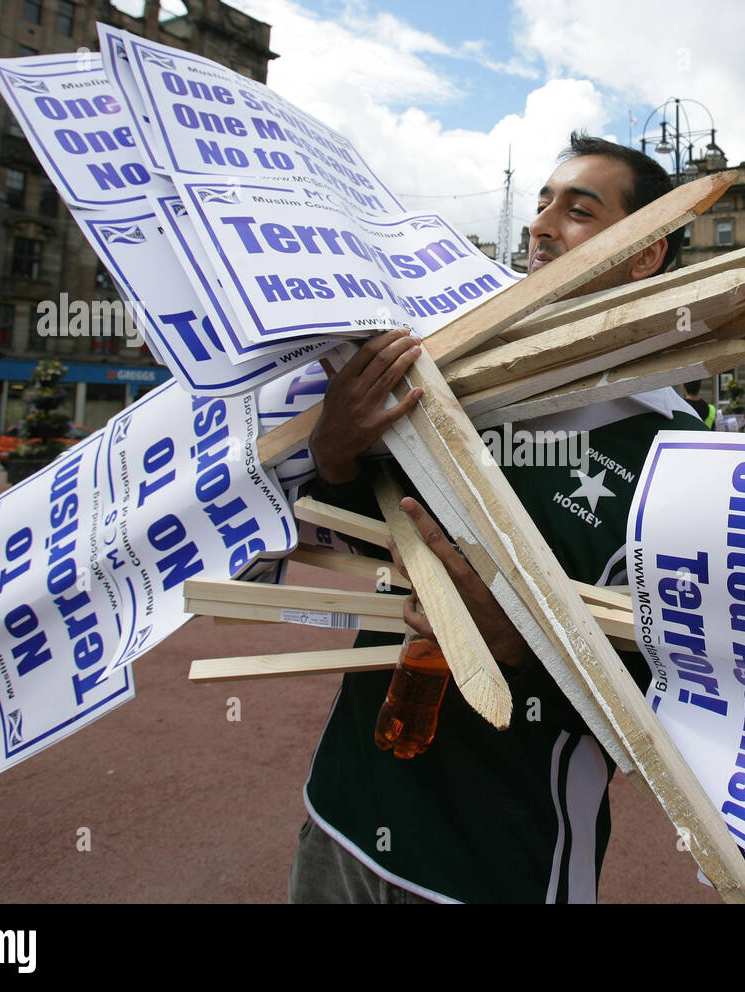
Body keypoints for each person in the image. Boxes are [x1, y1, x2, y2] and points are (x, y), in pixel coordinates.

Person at [289, 133, 707, 904]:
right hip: (343, 807)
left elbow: (676, 690)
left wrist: (519, 640)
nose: (542, 224)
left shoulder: (678, 453)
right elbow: (371, 543)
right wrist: (336, 452)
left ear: (646, 256)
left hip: (494, 863)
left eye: (578, 211)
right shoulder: (458, 383)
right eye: (542, 203)